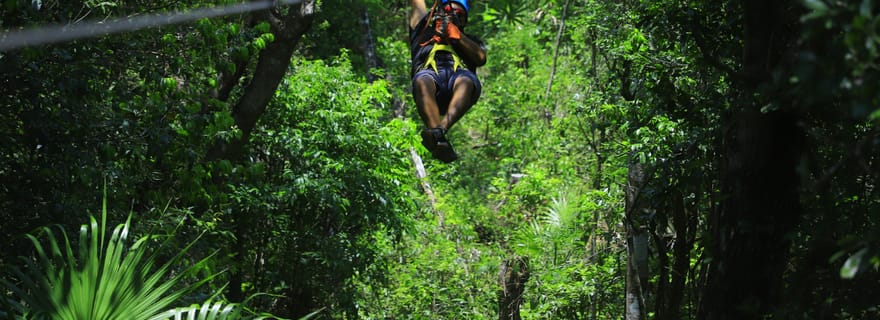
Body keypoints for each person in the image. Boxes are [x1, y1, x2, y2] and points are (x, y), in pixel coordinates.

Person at [409, 0, 486, 163]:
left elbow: (480, 58)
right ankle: (439, 138)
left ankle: (439, 131)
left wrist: (456, 36)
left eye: (458, 15)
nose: (451, 17)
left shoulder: (469, 41)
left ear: (464, 21)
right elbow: (417, 4)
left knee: (465, 81)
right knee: (423, 81)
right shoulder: (422, 33)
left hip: (459, 84)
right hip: (430, 82)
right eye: (448, 12)